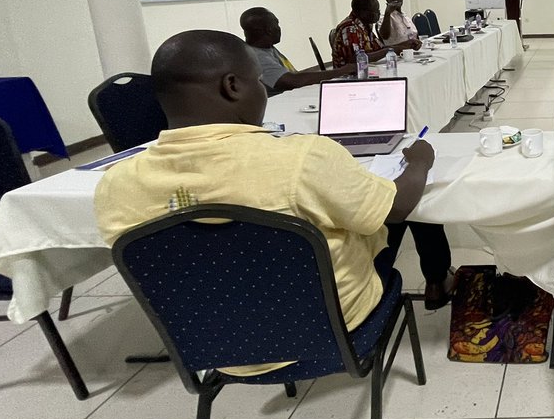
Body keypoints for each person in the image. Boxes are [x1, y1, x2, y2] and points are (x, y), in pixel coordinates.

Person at [93, 30, 436, 376]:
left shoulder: (116, 185)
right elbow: (394, 208)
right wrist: (420, 160)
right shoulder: (303, 158)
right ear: (233, 86)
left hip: (212, 349)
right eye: (258, 80)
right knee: (386, 213)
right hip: (332, 334)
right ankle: (441, 280)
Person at [240, 7, 354, 92]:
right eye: (276, 24)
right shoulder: (257, 57)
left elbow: (295, 75)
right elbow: (293, 81)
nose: (279, 28)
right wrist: (342, 71)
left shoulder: (267, 48)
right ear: (269, 30)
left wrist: (329, 74)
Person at [331, 0, 391, 67]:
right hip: (347, 75)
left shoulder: (365, 25)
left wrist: (400, 48)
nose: (379, 13)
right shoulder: (350, 28)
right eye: (375, 11)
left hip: (364, 69)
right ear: (363, 12)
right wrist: (387, 51)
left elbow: (379, 48)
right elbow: (355, 59)